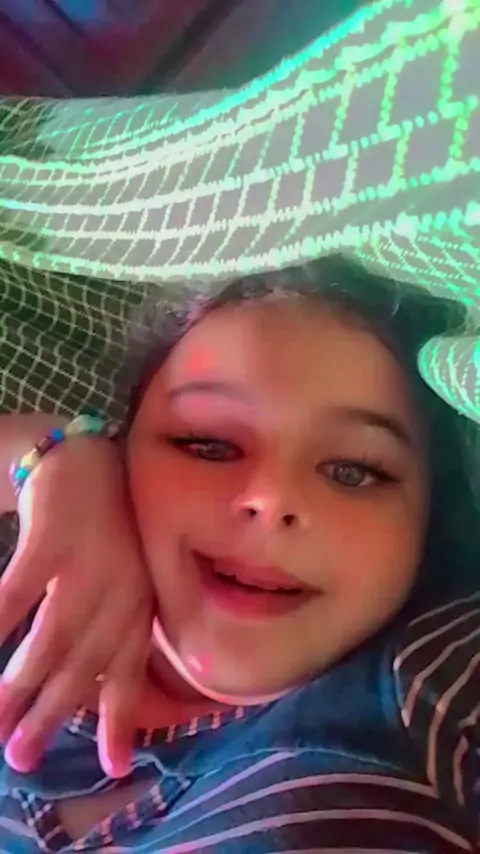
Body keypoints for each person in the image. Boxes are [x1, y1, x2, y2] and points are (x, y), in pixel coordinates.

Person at [0, 256, 478, 852]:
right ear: (124, 451)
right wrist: (53, 455)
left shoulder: (427, 687)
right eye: (208, 444)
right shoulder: (28, 599)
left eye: (353, 471)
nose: (271, 499)